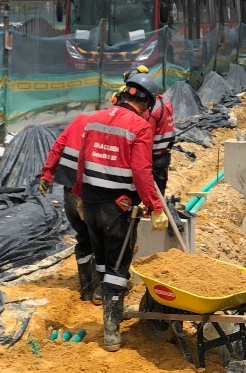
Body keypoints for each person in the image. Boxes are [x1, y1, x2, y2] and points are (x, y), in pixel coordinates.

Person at [76, 75, 170, 352]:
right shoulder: (140, 127)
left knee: (103, 260)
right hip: (117, 207)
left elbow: (82, 160)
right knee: (119, 267)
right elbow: (142, 171)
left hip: (91, 203)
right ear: (146, 103)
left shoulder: (94, 119)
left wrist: (79, 194)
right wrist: (155, 207)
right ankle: (111, 331)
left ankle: (107, 305)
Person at [40, 112, 101, 304]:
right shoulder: (113, 125)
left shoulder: (80, 119)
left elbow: (58, 146)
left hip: (70, 191)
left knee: (83, 239)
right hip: (93, 193)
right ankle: (100, 291)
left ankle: (86, 289)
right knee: (102, 241)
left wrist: (47, 174)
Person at [131, 67, 175, 196]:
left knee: (148, 193)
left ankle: (152, 212)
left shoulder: (149, 112)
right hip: (163, 153)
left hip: (153, 156)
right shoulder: (165, 100)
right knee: (158, 191)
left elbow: (145, 139)